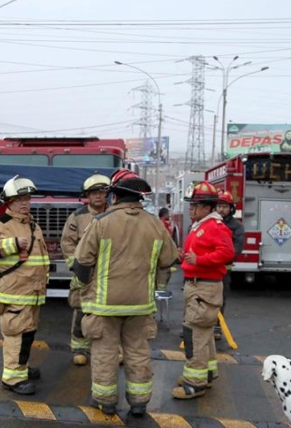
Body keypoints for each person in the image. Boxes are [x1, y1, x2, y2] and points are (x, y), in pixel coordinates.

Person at [73, 169, 178, 417]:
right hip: (141, 305)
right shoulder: (155, 224)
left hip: (104, 305)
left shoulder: (101, 223)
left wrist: (86, 289)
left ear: (115, 196)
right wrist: (155, 287)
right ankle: (139, 402)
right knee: (138, 353)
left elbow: (81, 262)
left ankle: (105, 401)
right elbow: (169, 260)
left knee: (105, 354)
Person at [0, 175, 50, 396]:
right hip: (13, 293)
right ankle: (12, 378)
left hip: (32, 293)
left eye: (27, 198)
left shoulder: (33, 225)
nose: (24, 203)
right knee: (15, 334)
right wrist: (12, 244)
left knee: (27, 334)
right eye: (19, 199)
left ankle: (21, 367)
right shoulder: (1, 223)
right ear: (9, 201)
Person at [172, 181, 234, 400]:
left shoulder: (215, 227)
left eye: (195, 205)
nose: (191, 209)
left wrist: (200, 260)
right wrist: (186, 258)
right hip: (198, 285)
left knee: (195, 334)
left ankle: (195, 383)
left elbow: (227, 253)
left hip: (204, 286)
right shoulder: (201, 225)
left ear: (208, 207)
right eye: (191, 205)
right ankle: (207, 373)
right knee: (203, 332)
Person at [60, 174, 110, 366]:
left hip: (108, 274)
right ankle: (79, 348)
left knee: (109, 313)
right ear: (87, 195)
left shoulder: (114, 215)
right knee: (81, 309)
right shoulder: (77, 217)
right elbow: (67, 242)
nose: (98, 196)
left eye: (102, 192)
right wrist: (77, 267)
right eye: (94, 192)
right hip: (85, 274)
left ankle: (109, 350)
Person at [213, 189, 245, 340]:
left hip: (224, 270)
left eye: (224, 206)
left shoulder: (236, 226)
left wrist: (220, 257)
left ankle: (217, 327)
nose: (221, 209)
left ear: (231, 208)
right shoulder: (210, 222)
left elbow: (237, 248)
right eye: (219, 206)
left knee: (220, 299)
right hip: (208, 268)